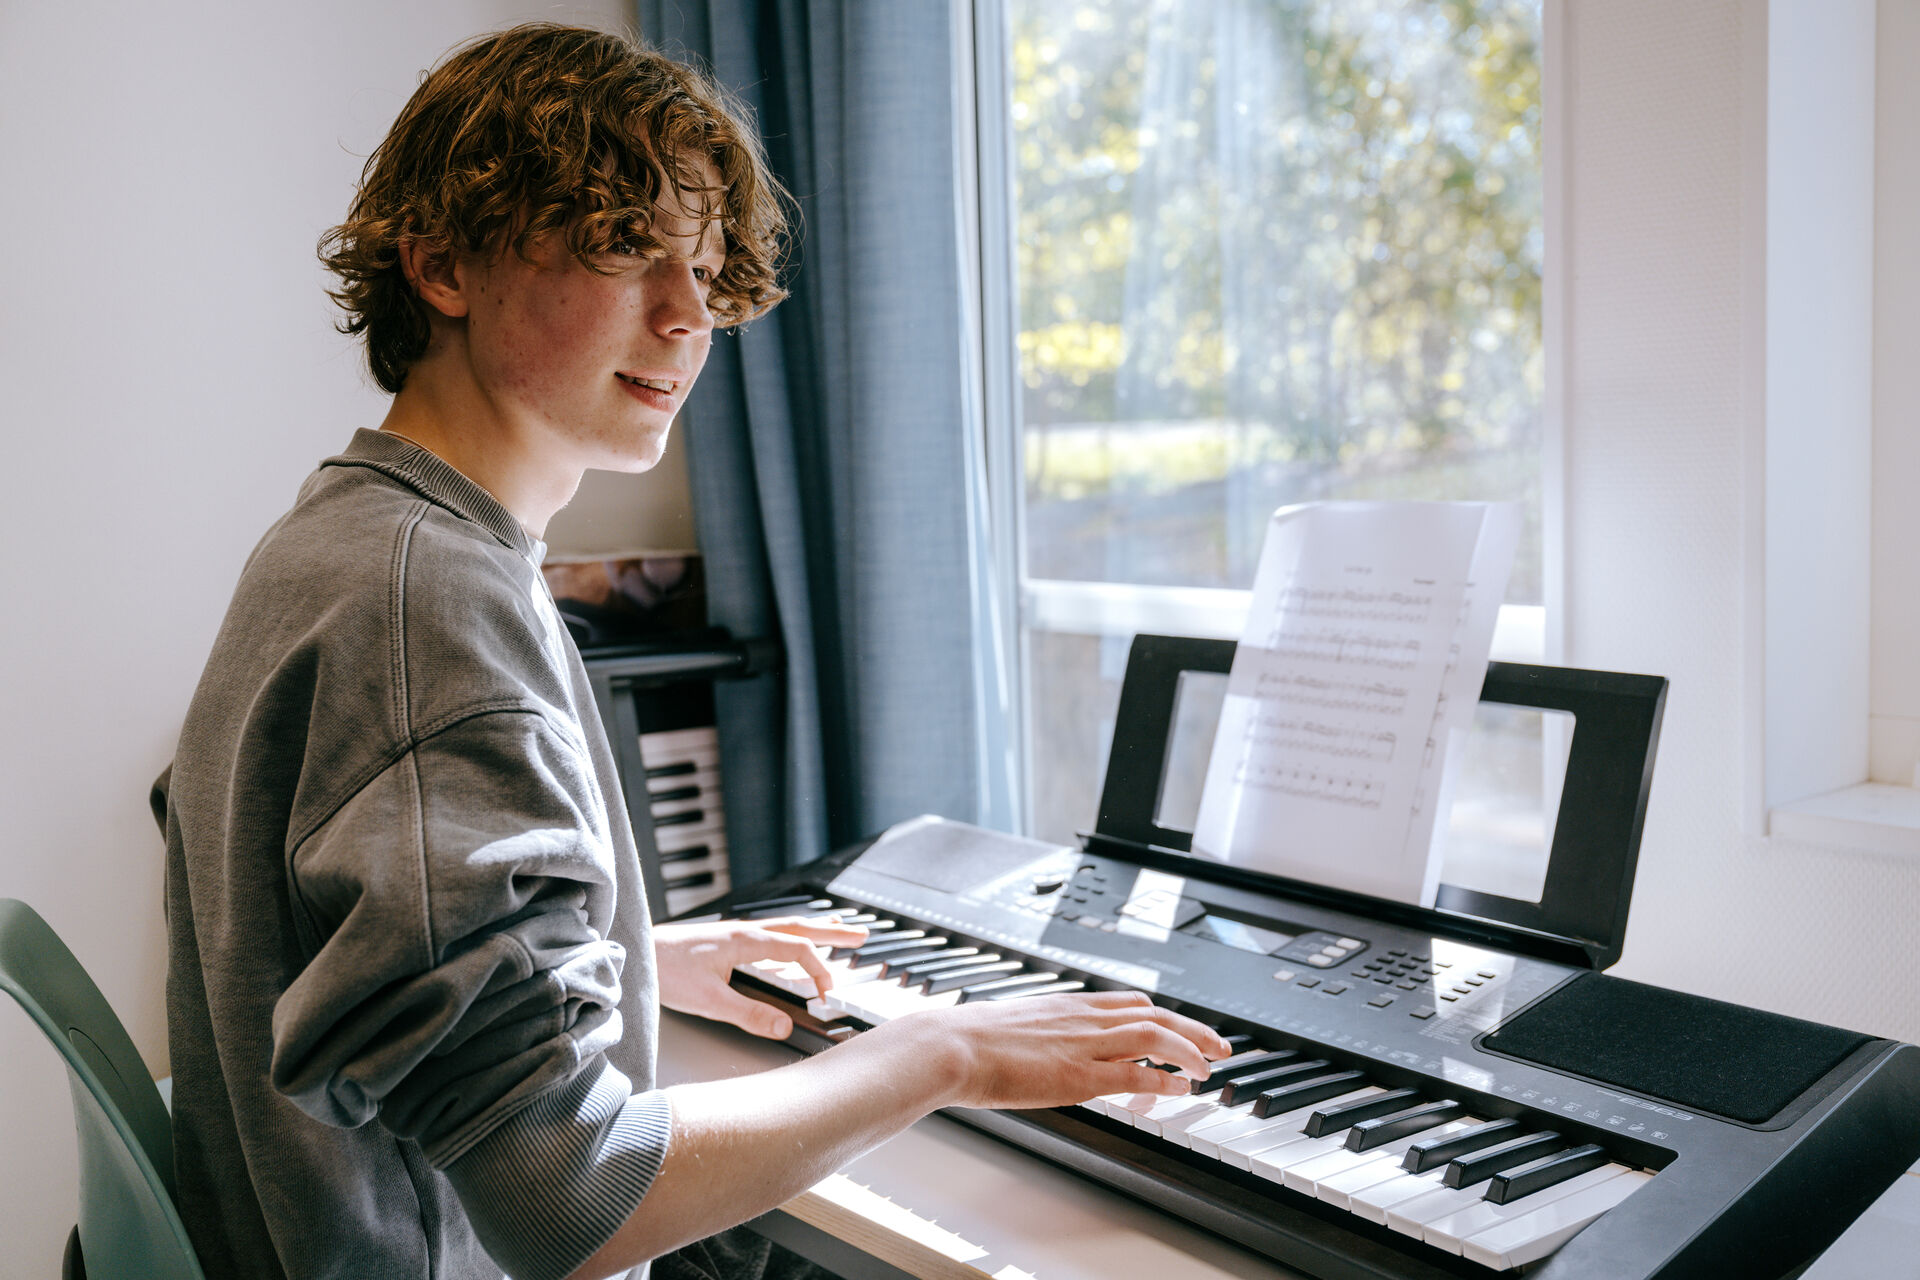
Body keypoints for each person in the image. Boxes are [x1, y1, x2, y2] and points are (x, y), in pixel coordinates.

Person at [157, 22, 1228, 1280]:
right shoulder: (425, 603)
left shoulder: (354, 537)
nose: (687, 317)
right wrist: (945, 1052)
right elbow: (571, 1197)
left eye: (706, 266)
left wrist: (642, 962)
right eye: (624, 247)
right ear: (441, 263)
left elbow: (328, 933)